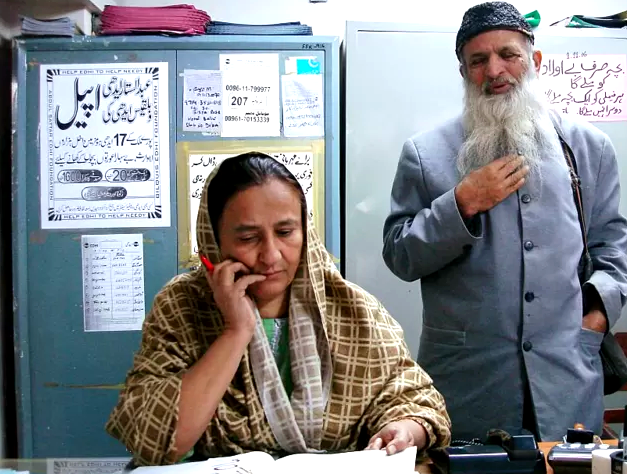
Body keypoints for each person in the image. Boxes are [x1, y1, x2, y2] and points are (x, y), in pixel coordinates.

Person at [382, 1, 627, 442]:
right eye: (478, 60)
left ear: (534, 61)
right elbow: (400, 255)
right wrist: (460, 203)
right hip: (465, 387)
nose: (494, 70)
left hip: (567, 380)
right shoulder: (424, 154)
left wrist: (594, 319)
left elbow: (611, 248)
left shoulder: (591, 148)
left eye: (508, 54)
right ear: (464, 72)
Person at [107, 153, 451, 465]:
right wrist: (236, 331)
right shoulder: (182, 307)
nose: (271, 256)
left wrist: (406, 428)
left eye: (286, 232)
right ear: (213, 239)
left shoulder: (351, 309)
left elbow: (415, 400)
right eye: (247, 238)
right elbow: (157, 440)